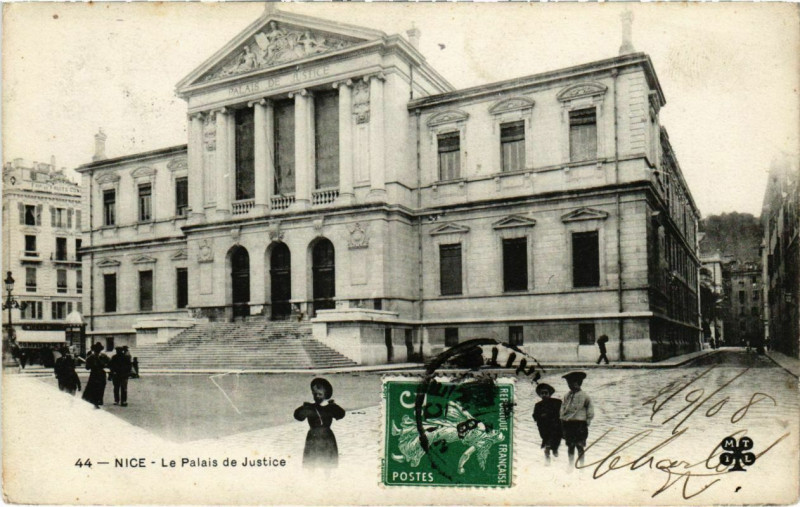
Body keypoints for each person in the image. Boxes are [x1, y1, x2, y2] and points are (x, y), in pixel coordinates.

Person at [294, 378, 345, 470]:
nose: (317, 396)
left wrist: (332, 405)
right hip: (313, 437)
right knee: (311, 463)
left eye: (320, 394)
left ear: (326, 395)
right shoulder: (310, 407)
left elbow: (341, 414)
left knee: (328, 463)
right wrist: (304, 408)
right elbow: (298, 416)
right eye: (314, 394)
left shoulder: (330, 407)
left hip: (327, 438)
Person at [560, 371, 594, 469]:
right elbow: (563, 408)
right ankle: (571, 465)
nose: (571, 386)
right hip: (569, 424)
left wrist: (588, 420)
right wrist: (562, 419)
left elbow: (590, 408)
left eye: (573, 383)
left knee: (580, 445)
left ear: (578, 383)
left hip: (580, 424)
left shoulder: (584, 396)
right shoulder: (567, 395)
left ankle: (581, 465)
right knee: (570, 445)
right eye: (569, 384)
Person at [532, 383, 562, 465]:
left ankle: (555, 449)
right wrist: (540, 416)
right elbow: (534, 416)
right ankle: (547, 456)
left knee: (556, 439)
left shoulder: (557, 402)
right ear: (540, 395)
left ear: (549, 394)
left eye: (546, 393)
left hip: (556, 425)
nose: (544, 395)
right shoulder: (538, 405)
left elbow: (561, 412)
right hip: (544, 426)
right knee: (547, 441)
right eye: (542, 393)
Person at [82, 342, 109, 409]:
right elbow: (87, 367)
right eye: (96, 350)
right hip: (95, 374)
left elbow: (109, 363)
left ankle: (97, 400)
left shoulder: (103, 356)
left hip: (99, 374)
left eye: (98, 349)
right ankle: (95, 402)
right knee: (94, 388)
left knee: (100, 388)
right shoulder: (91, 357)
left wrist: (103, 364)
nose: (97, 351)